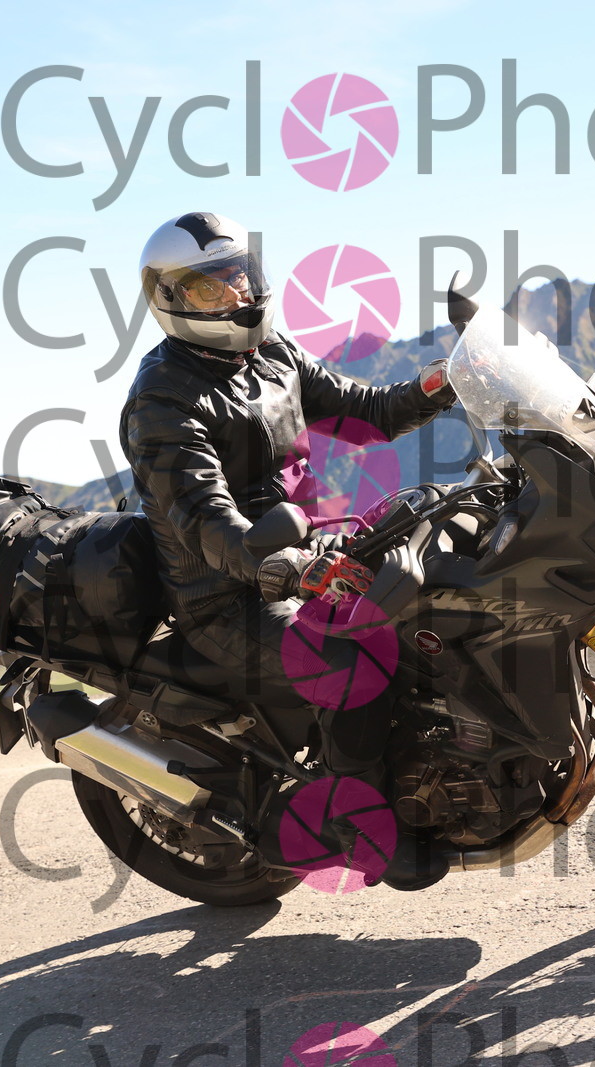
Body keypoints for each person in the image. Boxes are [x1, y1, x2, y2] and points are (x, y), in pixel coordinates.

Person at [118, 211, 454, 887]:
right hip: (228, 595)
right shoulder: (161, 401)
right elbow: (208, 523)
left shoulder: (271, 353)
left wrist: (440, 383)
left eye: (240, 275)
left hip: (312, 552)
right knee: (351, 663)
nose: (236, 294)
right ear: (172, 299)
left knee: (442, 588)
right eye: (211, 287)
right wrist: (291, 567)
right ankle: (358, 824)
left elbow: (365, 410)